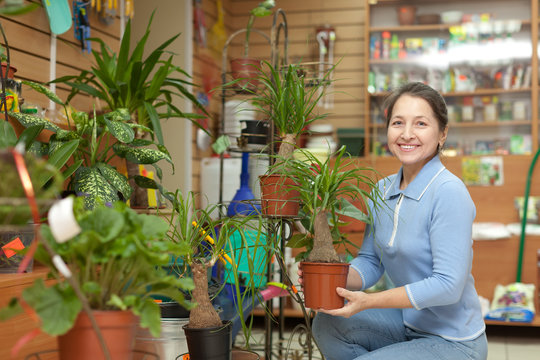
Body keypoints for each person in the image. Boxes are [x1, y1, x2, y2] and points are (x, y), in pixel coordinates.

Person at [305, 82, 488, 359]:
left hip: (455, 341)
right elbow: (370, 262)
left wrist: (369, 302)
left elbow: (448, 286)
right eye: (398, 122)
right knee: (329, 323)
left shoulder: (448, 192)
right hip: (407, 323)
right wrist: (329, 279)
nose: (407, 134)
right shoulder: (382, 190)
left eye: (421, 124)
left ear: (442, 134)